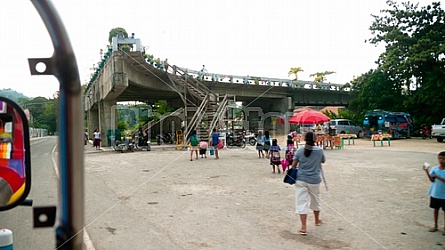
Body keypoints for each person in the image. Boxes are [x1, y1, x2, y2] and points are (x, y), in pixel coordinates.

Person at [291, 131, 326, 235]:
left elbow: (293, 165)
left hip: (301, 180)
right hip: (314, 180)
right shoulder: (319, 151)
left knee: (301, 202)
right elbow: (323, 161)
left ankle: (303, 227)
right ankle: (316, 220)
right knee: (315, 200)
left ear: (304, 139)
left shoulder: (299, 150)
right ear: (315, 140)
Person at [423, 151, 445, 233]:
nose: (441, 160)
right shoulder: (435, 169)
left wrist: (437, 176)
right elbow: (432, 180)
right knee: (436, 209)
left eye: (443, 159)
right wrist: (427, 172)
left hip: (444, 195)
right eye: (440, 158)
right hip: (435, 193)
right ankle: (435, 225)